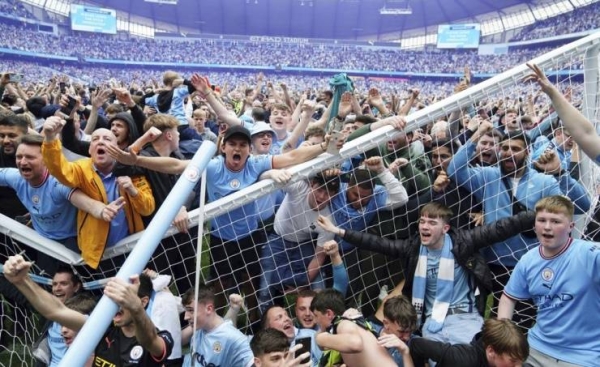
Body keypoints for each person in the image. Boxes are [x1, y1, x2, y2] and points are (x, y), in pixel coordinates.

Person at [317, 202, 536, 345]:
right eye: (422, 221)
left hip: (465, 318)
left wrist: (540, 215)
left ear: (445, 228)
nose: (425, 226)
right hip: (429, 322)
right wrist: (339, 231)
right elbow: (376, 243)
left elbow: (503, 227)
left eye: (432, 222)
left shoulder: (464, 242)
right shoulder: (412, 249)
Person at [447, 122, 590, 327]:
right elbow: (455, 170)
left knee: (523, 320)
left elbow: (580, 206)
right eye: (504, 148)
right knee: (489, 317)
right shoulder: (488, 177)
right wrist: (476, 134)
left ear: (527, 151)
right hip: (492, 261)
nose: (508, 153)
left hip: (529, 262)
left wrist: (560, 173)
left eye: (515, 149)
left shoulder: (543, 181)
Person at [3, 255, 173, 367]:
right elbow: (55, 311)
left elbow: (150, 341)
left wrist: (136, 309)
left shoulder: (161, 337)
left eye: (124, 297)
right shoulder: (104, 330)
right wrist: (21, 281)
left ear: (143, 302)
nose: (116, 303)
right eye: (114, 297)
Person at [499, 195, 600, 367]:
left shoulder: (589, 254)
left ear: (571, 227)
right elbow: (508, 297)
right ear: (534, 225)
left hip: (583, 355)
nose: (547, 227)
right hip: (535, 349)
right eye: (542, 220)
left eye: (555, 221)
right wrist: (504, 334)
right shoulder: (528, 260)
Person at [41, 116, 155, 269]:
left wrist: (133, 191)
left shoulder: (131, 170)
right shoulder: (81, 168)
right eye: (95, 139)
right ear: (90, 149)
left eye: (107, 139)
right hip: (96, 255)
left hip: (131, 249)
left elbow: (148, 209)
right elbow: (59, 171)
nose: (100, 142)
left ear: (118, 149)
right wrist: (50, 139)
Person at [524, 63, 600, 165]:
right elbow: (585, 132)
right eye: (569, 135)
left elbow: (586, 133)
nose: (572, 139)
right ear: (558, 133)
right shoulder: (543, 143)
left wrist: (553, 93)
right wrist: (552, 93)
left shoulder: (566, 154)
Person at [311, 289, 407, 367]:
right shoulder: (349, 328)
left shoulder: (344, 323)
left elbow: (356, 343)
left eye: (316, 316)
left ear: (329, 313)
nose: (315, 321)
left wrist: (320, 339)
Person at [180, 284, 254, 367]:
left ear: (209, 309)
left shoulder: (235, 339)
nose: (186, 317)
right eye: (186, 310)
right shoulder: (199, 327)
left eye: (191, 310)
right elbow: (177, 341)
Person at [410, 318, 528, 367]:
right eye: (513, 361)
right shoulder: (462, 359)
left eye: (520, 362)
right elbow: (417, 345)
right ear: (491, 351)